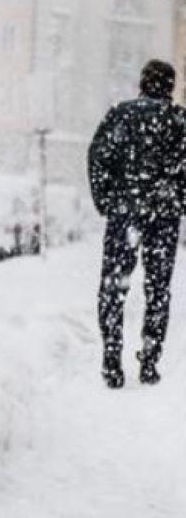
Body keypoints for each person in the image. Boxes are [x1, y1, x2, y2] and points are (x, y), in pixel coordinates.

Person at [88, 60, 186, 388]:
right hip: (165, 215)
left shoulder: (122, 114)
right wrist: (177, 200)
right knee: (158, 290)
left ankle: (112, 359)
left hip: (125, 211)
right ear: (170, 87)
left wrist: (107, 200)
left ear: (141, 83)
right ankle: (149, 359)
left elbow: (99, 155)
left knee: (114, 287)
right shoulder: (179, 121)